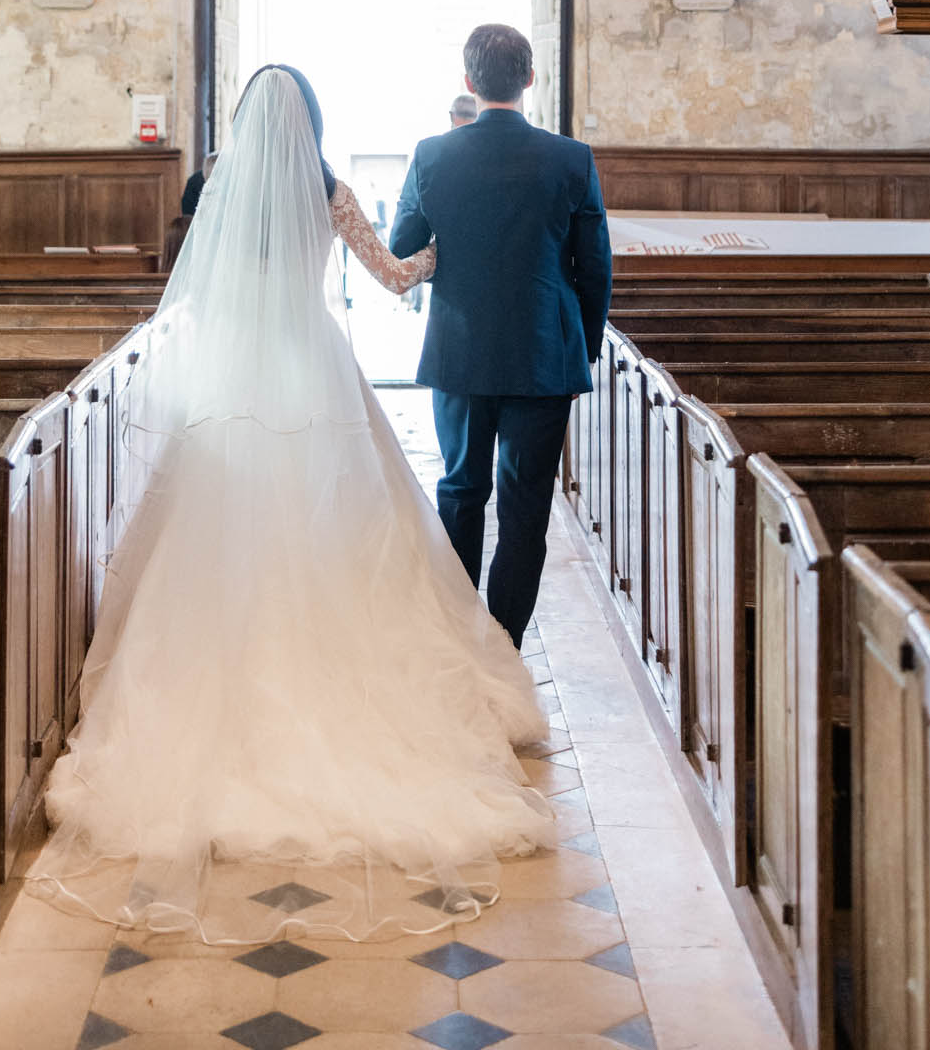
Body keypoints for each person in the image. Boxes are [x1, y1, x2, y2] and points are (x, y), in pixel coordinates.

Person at [33, 65, 553, 943]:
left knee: (218, 542)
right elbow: (394, 277)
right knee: (343, 535)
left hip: (233, 380)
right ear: (311, 119)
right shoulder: (330, 190)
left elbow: (193, 293)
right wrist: (442, 253)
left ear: (242, 118)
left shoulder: (214, 187)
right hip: (311, 373)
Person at [391, 24, 611, 649]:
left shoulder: (433, 155)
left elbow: (404, 244)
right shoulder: (571, 158)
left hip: (460, 350)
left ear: (468, 82)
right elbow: (595, 267)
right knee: (525, 506)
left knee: (461, 490)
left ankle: (460, 638)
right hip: (545, 352)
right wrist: (583, 349)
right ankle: (504, 643)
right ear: (530, 79)